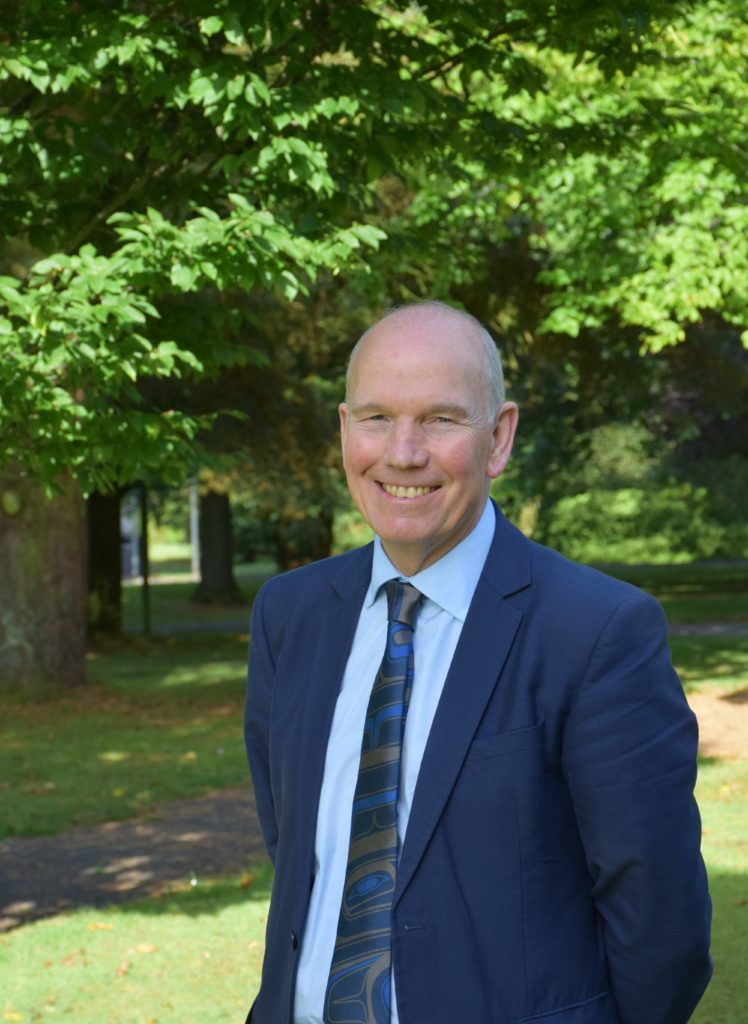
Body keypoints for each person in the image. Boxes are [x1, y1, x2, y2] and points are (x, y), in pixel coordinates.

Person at [244, 301, 712, 1024]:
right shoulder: (290, 615)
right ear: (344, 431)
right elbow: (301, 854)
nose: (403, 452)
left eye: (439, 419)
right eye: (376, 417)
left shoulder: (596, 632)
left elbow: (660, 918)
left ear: (499, 438)